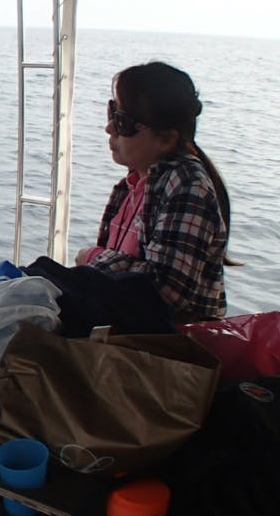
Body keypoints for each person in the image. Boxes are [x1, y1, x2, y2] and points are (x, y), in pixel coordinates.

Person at [75, 61, 231, 321]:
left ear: (166, 139)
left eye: (123, 122)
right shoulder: (133, 184)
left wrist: (94, 258)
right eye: (112, 112)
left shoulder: (187, 186)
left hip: (166, 351)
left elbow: (165, 290)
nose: (110, 128)